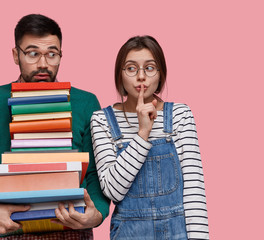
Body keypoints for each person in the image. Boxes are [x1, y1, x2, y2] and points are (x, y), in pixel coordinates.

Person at [0, 14, 110, 239]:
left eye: (52, 54)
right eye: (33, 53)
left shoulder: (86, 102)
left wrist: (98, 214)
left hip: (73, 230)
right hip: (12, 230)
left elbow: (96, 173)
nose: (43, 64)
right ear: (16, 55)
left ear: (61, 55)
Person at [90, 35, 209, 239]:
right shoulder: (101, 120)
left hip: (177, 232)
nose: (141, 76)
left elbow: (194, 191)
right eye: (131, 68)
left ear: (160, 74)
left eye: (150, 68)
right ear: (120, 75)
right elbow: (113, 191)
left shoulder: (180, 115)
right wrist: (143, 133)